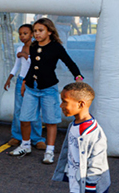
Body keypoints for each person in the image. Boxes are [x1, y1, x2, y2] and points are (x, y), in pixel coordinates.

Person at [9, 18, 83, 164]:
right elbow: (32, 67)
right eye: (35, 31)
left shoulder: (56, 47)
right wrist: (25, 82)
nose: (37, 34)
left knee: (50, 121)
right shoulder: (33, 46)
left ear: (49, 32)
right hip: (31, 88)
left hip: (48, 89)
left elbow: (69, 62)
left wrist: (77, 76)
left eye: (40, 30)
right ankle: (25, 145)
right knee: (24, 118)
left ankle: (49, 151)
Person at [3, 24, 43, 148]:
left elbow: (37, 65)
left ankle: (37, 138)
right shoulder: (19, 48)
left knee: (34, 110)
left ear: (32, 34)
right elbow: (17, 65)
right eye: (20, 34)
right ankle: (17, 136)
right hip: (21, 80)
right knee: (18, 109)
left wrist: (26, 57)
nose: (22, 36)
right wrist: (9, 78)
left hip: (34, 81)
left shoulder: (38, 48)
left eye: (25, 33)